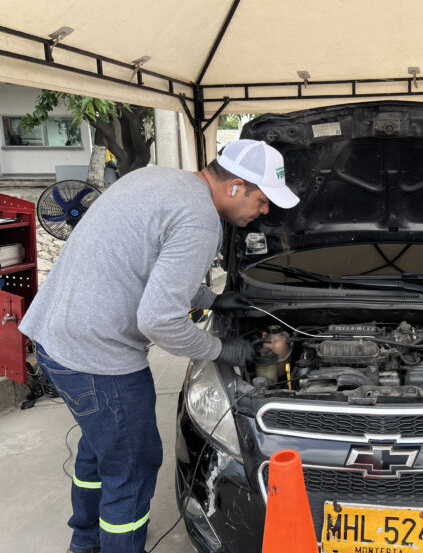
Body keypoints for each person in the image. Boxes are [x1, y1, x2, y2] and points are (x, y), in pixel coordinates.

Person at [19, 139, 300, 553]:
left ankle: (85, 543)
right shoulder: (202, 220)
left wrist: (214, 300)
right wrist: (227, 350)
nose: (265, 212)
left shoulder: (156, 178)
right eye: (262, 200)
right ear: (236, 187)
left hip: (55, 342)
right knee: (132, 469)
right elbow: (159, 320)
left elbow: (146, 262)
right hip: (100, 360)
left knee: (99, 451)